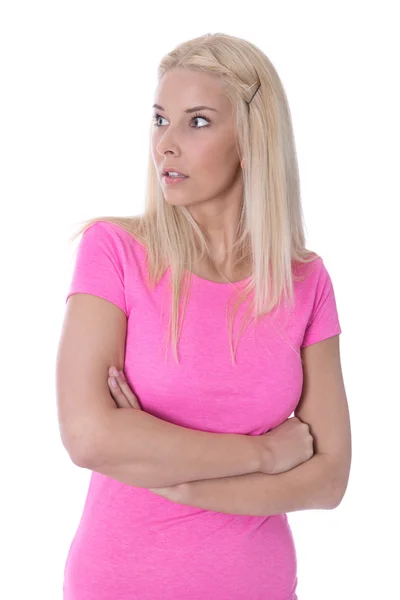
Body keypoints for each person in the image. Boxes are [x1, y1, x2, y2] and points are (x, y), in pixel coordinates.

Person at [57, 32, 351, 600]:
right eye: (159, 119)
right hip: (121, 584)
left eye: (196, 122)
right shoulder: (115, 250)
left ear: (251, 139)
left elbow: (329, 480)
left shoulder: (304, 281)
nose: (165, 144)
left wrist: (174, 475)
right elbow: (89, 437)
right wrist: (264, 455)